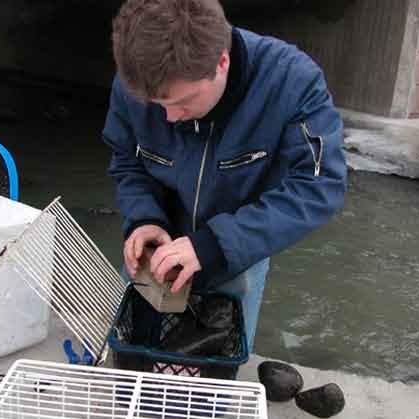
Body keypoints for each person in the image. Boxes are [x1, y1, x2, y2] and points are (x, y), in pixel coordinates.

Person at [103, 0, 347, 352]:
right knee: (135, 361)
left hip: (237, 252)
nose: (170, 118)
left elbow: (320, 185)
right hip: (154, 255)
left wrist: (216, 245)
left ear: (222, 62)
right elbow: (127, 159)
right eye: (157, 104)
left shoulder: (293, 81)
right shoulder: (135, 80)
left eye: (183, 101)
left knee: (213, 382)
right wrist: (143, 217)